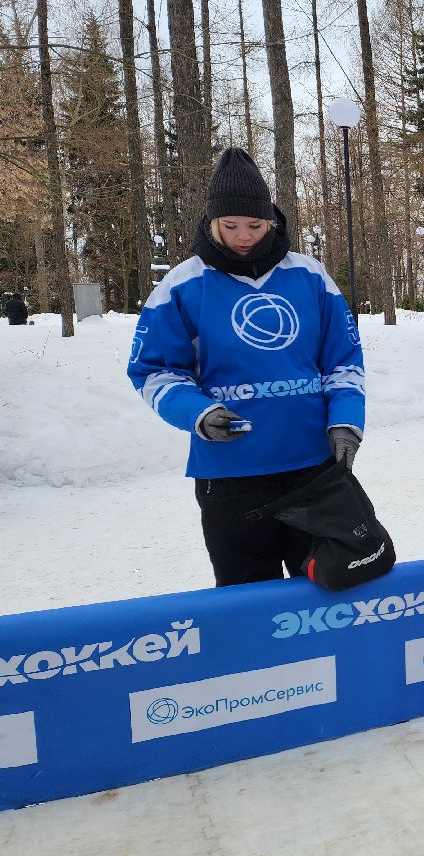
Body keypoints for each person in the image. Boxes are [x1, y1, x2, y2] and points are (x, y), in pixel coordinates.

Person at [127, 147, 365, 586]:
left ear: (271, 220)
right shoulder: (183, 284)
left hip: (313, 468)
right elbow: (154, 370)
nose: (243, 236)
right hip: (231, 476)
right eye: (230, 225)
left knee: (325, 590)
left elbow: (343, 361)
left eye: (254, 225)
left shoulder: (310, 276)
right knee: (245, 598)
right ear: (211, 222)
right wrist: (196, 412)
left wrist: (346, 421)